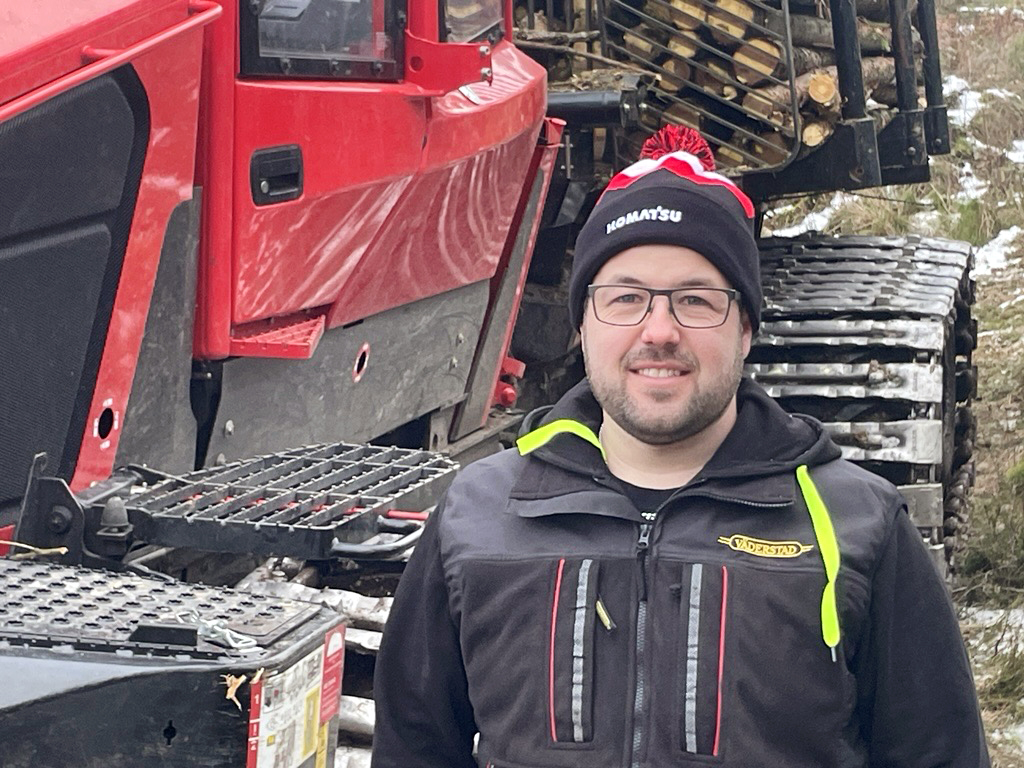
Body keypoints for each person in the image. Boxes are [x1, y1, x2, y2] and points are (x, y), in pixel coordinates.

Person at [371, 126, 990, 768]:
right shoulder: (479, 515)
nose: (659, 331)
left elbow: (939, 753)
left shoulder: (858, 526)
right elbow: (413, 747)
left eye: (696, 300)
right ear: (583, 323)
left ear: (746, 327)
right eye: (626, 299)